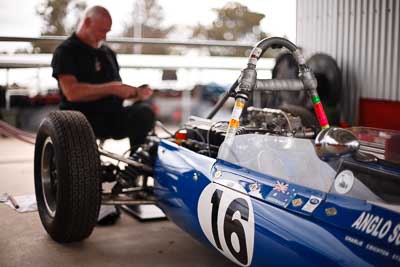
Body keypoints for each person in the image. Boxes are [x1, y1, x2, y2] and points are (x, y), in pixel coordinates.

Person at [51, 5, 155, 150]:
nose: (105, 36)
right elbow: (72, 93)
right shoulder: (66, 51)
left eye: (107, 32)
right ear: (87, 22)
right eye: (102, 30)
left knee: (144, 112)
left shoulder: (108, 53)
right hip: (81, 118)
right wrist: (112, 88)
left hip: (111, 116)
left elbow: (117, 90)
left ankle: (138, 163)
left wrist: (136, 93)